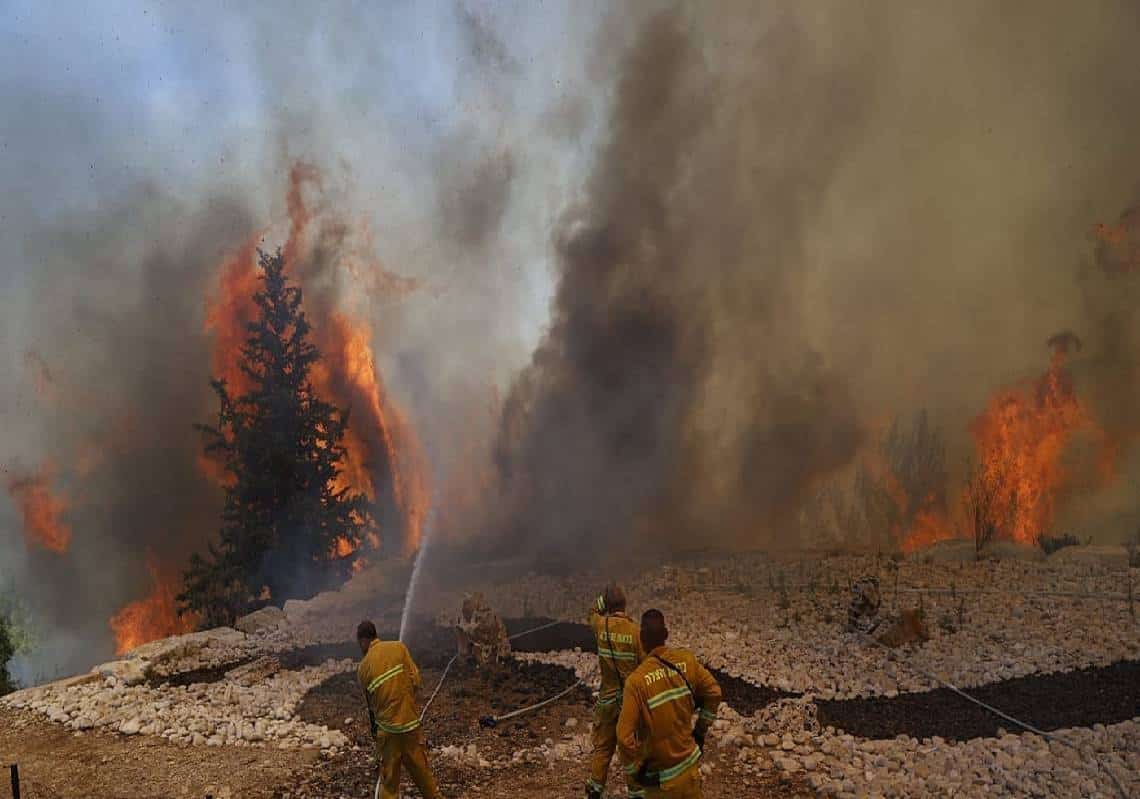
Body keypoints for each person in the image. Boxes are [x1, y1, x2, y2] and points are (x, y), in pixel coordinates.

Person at [617, 610, 721, 799]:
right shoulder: (687, 661)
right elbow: (714, 692)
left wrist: (635, 772)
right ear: (666, 635)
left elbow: (624, 738)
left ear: (641, 639)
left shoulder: (636, 682)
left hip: (661, 783)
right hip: (690, 771)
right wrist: (700, 731)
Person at [356, 620, 443, 799]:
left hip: (388, 732)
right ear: (376, 634)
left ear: (363, 641)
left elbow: (371, 705)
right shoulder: (399, 647)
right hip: (410, 726)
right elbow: (416, 680)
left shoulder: (363, 667)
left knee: (389, 784)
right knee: (423, 773)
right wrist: (406, 703)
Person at [586, 584, 645, 799]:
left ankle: (594, 790)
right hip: (629, 703)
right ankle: (636, 793)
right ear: (625, 604)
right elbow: (646, 665)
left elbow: (591, 613)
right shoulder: (636, 632)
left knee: (602, 749)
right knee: (631, 751)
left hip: (607, 700)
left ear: (607, 605)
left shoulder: (601, 625)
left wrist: (601, 602)